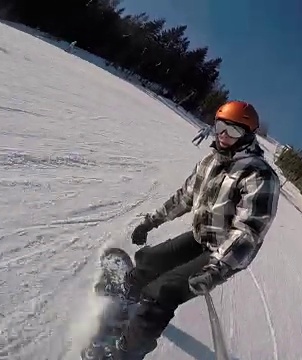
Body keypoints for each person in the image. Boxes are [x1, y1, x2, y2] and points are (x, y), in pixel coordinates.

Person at [116, 100, 280, 359]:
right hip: (200, 237)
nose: (224, 136)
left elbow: (248, 231)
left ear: (248, 136)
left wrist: (216, 269)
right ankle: (127, 296)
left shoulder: (259, 176)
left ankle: (126, 353)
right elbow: (185, 197)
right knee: (148, 259)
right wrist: (152, 221)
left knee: (162, 293)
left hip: (222, 252)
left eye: (234, 131)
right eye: (220, 127)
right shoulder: (209, 161)